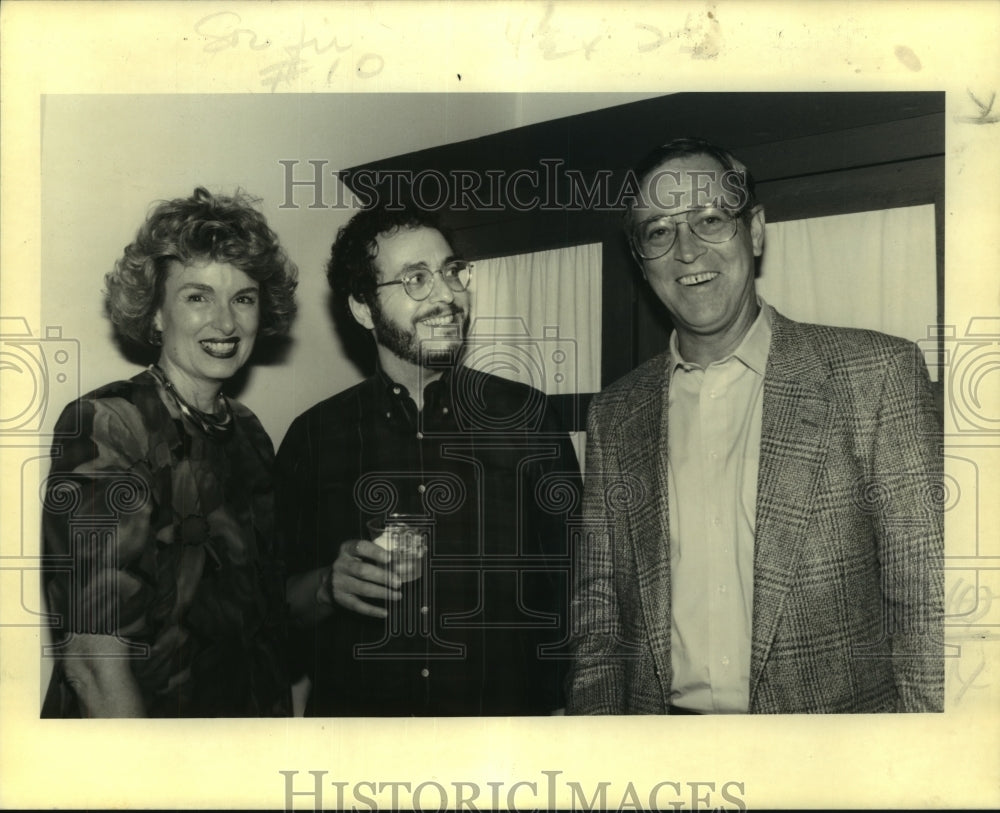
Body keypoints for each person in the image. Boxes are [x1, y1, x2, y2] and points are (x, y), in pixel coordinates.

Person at [566, 137, 944, 714]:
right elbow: (598, 625)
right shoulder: (616, 415)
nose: (687, 250)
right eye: (659, 231)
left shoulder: (876, 377)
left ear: (756, 231)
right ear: (642, 263)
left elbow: (929, 611)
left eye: (710, 219)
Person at [277, 200, 580, 716]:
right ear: (363, 308)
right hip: (359, 761)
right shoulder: (313, 437)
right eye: (416, 279)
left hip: (502, 758)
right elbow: (275, 606)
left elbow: (583, 589)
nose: (447, 295)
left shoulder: (528, 419)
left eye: (451, 272)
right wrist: (328, 586)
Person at [41, 187, 298, 717]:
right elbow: (92, 658)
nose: (225, 323)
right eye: (197, 296)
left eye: (243, 298)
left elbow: (258, 622)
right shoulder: (110, 423)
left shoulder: (249, 432)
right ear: (156, 313)